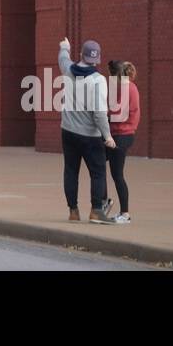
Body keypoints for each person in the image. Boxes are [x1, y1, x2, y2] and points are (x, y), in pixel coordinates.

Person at [57, 37, 116, 224]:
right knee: (98, 172)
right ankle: (96, 211)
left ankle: (73, 211)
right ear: (97, 60)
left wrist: (65, 47)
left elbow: (63, 58)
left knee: (71, 171)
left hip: (68, 131)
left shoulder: (68, 70)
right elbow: (99, 113)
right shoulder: (98, 80)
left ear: (81, 55)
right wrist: (107, 135)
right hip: (90, 136)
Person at [105, 60, 141, 224]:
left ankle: (125, 213)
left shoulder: (127, 88)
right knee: (97, 162)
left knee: (117, 174)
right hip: (119, 133)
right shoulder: (125, 87)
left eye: (111, 74)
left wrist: (102, 114)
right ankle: (105, 200)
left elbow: (118, 112)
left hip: (122, 134)